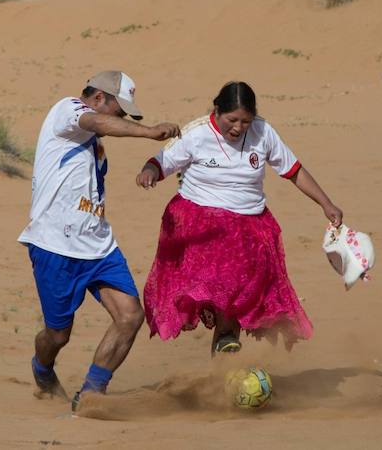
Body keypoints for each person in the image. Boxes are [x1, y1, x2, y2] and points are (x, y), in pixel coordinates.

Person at [136, 81, 343, 355]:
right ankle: (224, 340)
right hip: (201, 226)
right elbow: (160, 162)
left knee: (239, 294)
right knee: (223, 287)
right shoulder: (196, 133)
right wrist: (149, 172)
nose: (238, 127)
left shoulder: (264, 132)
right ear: (217, 111)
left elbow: (293, 170)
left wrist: (326, 204)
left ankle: (224, 350)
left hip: (250, 227)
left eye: (245, 121)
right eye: (231, 120)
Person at [17, 71, 180, 411]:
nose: (120, 117)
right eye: (119, 110)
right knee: (58, 335)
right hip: (54, 246)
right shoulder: (68, 109)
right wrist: (149, 132)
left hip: (99, 244)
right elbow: (99, 123)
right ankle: (42, 368)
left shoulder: (94, 138)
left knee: (131, 316)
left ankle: (91, 394)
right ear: (99, 98)